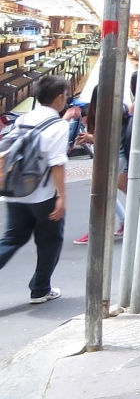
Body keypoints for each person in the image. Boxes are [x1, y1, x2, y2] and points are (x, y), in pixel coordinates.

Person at [0, 76, 70, 304]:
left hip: (15, 191)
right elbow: (57, 163)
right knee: (50, 241)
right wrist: (61, 197)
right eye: (66, 95)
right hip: (43, 196)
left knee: (12, 239)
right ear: (59, 97)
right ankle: (40, 289)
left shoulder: (23, 119)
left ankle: (41, 288)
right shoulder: (59, 125)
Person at [72, 77, 133, 244]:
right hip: (118, 157)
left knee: (99, 194)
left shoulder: (110, 112)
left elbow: (108, 140)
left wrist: (91, 138)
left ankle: (97, 231)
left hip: (114, 158)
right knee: (105, 193)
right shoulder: (120, 108)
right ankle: (124, 222)